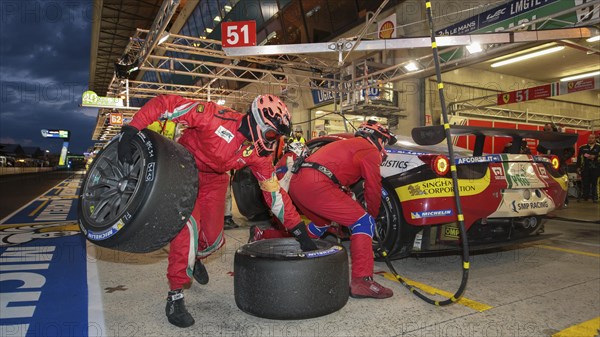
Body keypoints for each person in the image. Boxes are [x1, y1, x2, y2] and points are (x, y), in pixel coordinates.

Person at [117, 94, 316, 328]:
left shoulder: (258, 155)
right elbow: (165, 103)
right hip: (183, 170)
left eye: (277, 137)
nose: (272, 142)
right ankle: (175, 295)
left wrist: (300, 232)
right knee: (187, 233)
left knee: (213, 240)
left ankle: (197, 257)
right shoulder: (212, 115)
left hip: (215, 182)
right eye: (271, 135)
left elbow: (274, 195)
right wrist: (132, 129)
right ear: (256, 122)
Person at [254, 120, 397, 299]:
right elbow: (373, 188)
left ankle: (264, 236)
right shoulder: (370, 150)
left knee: (320, 226)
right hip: (317, 183)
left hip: (300, 184)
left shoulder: (347, 145)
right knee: (363, 221)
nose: (384, 147)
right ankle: (362, 281)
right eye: (385, 142)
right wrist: (372, 216)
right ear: (378, 138)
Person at [537, 123, 575, 205]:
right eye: (545, 130)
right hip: (547, 164)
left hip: (560, 164)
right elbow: (539, 148)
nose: (547, 132)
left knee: (562, 182)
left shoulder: (560, 138)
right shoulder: (545, 139)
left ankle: (564, 201)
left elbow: (571, 150)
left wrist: (563, 158)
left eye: (549, 130)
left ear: (553, 129)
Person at [577, 133, 599, 203]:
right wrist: (578, 167)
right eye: (589, 138)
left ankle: (594, 197)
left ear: (595, 139)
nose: (590, 139)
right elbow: (579, 159)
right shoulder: (582, 147)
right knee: (585, 183)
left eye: (592, 138)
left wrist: (595, 157)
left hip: (596, 168)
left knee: (594, 183)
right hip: (585, 168)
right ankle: (585, 197)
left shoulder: (599, 147)